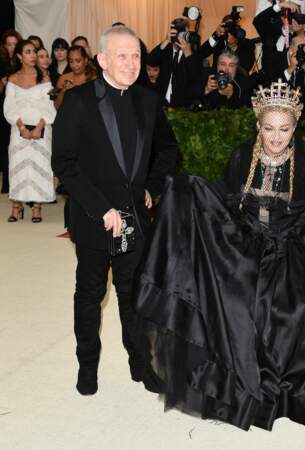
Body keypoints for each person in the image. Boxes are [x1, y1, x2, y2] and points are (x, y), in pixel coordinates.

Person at [134, 80, 305, 431]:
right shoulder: (243, 155)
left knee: (297, 308)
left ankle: (293, 383)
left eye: (285, 130)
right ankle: (237, 372)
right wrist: (187, 191)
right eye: (269, 129)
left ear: (295, 128)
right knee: (229, 296)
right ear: (258, 126)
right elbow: (224, 199)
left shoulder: (304, 164)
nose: (276, 138)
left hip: (292, 245)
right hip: (246, 241)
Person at [51, 25, 178, 396]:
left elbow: (167, 149)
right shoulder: (78, 101)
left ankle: (141, 363)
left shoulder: (147, 100)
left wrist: (152, 188)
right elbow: (65, 162)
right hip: (93, 220)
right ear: (103, 59)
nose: (131, 62)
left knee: (134, 295)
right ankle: (87, 366)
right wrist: (100, 208)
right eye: (122, 55)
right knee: (90, 295)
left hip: (135, 220)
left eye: (136, 55)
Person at [3, 40, 56, 222]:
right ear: (19, 56)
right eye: (28, 52)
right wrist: (22, 127)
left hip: (41, 129)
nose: (33, 55)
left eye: (34, 52)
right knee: (18, 164)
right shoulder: (13, 79)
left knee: (39, 164)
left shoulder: (45, 78)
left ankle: (37, 207)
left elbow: (49, 107)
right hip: (19, 129)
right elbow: (9, 107)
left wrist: (39, 127)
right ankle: (17, 205)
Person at [148, 19, 203, 108]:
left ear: (187, 32)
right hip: (161, 104)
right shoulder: (166, 49)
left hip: (182, 108)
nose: (179, 36)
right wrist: (166, 41)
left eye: (182, 32)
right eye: (176, 32)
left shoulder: (194, 54)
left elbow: (195, 77)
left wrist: (188, 53)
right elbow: (151, 61)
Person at [253, 1, 305, 84]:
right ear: (283, 18)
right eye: (292, 15)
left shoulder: (304, 37)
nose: (296, 20)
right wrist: (279, 6)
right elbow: (257, 21)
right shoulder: (270, 32)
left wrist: (300, 33)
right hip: (268, 86)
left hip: (293, 90)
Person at [0, 29, 22, 194]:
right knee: (5, 147)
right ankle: (6, 184)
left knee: (18, 147)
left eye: (15, 44)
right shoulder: (1, 63)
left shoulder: (23, 63)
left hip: (20, 109)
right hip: (3, 108)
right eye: (9, 44)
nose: (12, 48)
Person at [54, 45, 97, 109]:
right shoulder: (62, 78)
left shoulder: (94, 77)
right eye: (71, 61)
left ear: (85, 60)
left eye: (78, 61)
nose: (74, 65)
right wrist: (63, 90)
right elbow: (56, 106)